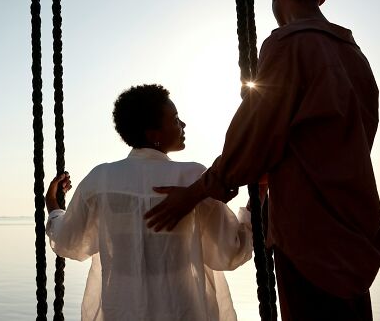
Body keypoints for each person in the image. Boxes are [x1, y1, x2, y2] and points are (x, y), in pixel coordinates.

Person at [145, 0, 380, 321]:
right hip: (357, 231)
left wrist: (195, 192)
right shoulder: (356, 57)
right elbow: (338, 140)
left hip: (309, 235)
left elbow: (253, 136)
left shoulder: (288, 45)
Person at [45, 84, 253, 321]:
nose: (183, 125)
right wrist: (256, 203)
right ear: (153, 134)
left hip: (120, 311)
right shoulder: (194, 178)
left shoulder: (100, 180)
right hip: (184, 309)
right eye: (175, 120)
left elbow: (67, 241)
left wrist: (52, 203)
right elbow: (232, 251)